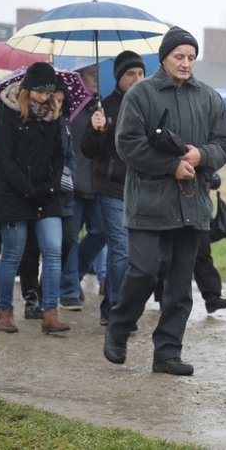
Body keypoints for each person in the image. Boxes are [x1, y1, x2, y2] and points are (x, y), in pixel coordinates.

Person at [103, 25, 226, 375]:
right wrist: (170, 166)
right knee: (144, 272)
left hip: (192, 206)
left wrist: (201, 156)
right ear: (164, 57)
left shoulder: (208, 96)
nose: (186, 63)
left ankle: (167, 353)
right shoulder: (141, 94)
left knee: (179, 286)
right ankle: (118, 328)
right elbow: (127, 144)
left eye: (191, 57)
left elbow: (224, 142)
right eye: (180, 56)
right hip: (148, 203)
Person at [0, 62, 69, 334]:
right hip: (14, 195)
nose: (43, 97)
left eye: (48, 93)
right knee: (12, 253)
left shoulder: (53, 114)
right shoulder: (7, 112)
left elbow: (60, 154)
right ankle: (5, 313)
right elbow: (3, 157)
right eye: (38, 91)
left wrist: (50, 184)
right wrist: (26, 187)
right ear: (27, 88)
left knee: (53, 250)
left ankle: (50, 312)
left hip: (47, 195)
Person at [81, 50, 145, 326]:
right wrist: (96, 129)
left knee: (136, 254)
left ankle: (112, 306)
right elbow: (88, 149)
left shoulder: (149, 105)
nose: (137, 78)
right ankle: (118, 311)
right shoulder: (103, 107)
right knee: (120, 249)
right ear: (119, 77)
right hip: (110, 187)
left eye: (141, 73)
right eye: (131, 74)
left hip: (141, 188)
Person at [17, 75, 77, 320]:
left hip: (62, 194)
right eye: (55, 100)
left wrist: (68, 177)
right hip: (35, 193)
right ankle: (32, 298)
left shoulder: (64, 125)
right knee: (30, 248)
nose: (57, 105)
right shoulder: (31, 122)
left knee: (65, 244)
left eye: (61, 101)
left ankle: (45, 292)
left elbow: (70, 156)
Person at [59, 64, 107, 310]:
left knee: (101, 232)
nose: (96, 79)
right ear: (79, 77)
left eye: (99, 75)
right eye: (91, 75)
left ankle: (72, 275)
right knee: (70, 238)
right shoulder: (71, 109)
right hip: (73, 185)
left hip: (97, 184)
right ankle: (67, 290)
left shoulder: (100, 107)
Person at [153, 171, 226, 314]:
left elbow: (216, 179)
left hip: (199, 214)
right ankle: (163, 297)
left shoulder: (199, 152)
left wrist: (211, 179)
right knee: (167, 256)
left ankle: (212, 297)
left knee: (203, 255)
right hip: (170, 210)